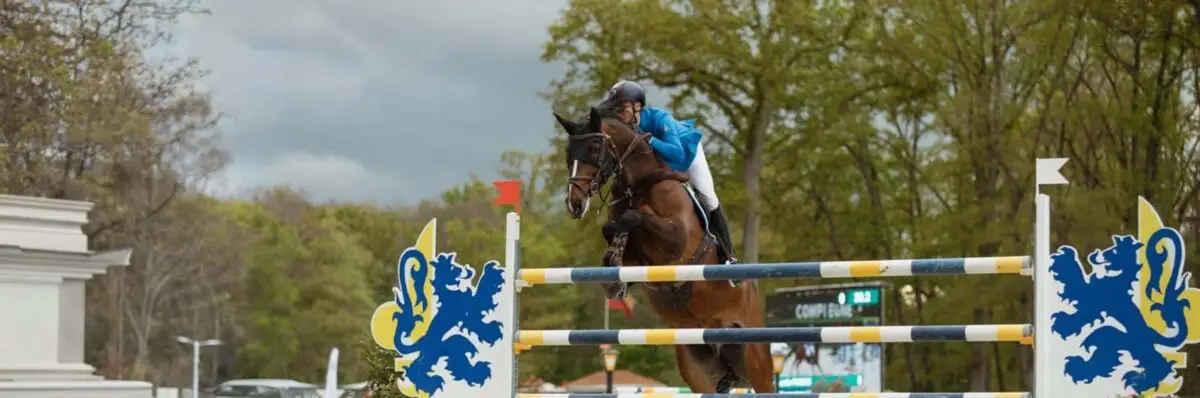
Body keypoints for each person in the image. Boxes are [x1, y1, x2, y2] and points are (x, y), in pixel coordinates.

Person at [595, 80, 737, 263]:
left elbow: (677, 154)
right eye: (616, 109)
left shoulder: (658, 118)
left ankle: (728, 255)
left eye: (622, 108)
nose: (619, 114)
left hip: (687, 155)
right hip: (662, 163)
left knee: (709, 198)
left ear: (637, 106)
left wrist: (651, 140)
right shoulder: (627, 129)